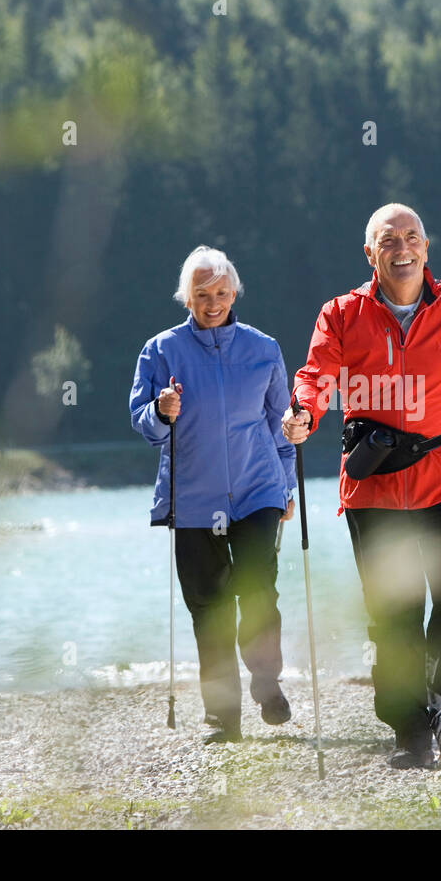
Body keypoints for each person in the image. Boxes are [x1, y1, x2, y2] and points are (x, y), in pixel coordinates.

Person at [283, 203, 441, 769]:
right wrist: (303, 412)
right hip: (375, 488)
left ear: (426, 248)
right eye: (389, 240)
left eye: (412, 237)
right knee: (393, 612)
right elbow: (317, 375)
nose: (402, 248)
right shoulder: (342, 314)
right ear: (371, 254)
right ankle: (409, 730)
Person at [130, 246, 297, 745]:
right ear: (187, 297)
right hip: (194, 498)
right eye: (202, 294)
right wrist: (161, 410)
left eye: (221, 292)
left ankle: (266, 681)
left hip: (257, 490)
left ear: (234, 293)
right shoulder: (160, 351)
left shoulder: (263, 348)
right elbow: (144, 425)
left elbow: (282, 425)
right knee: (209, 606)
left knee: (259, 589)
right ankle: (223, 716)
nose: (213, 302)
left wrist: (287, 485)